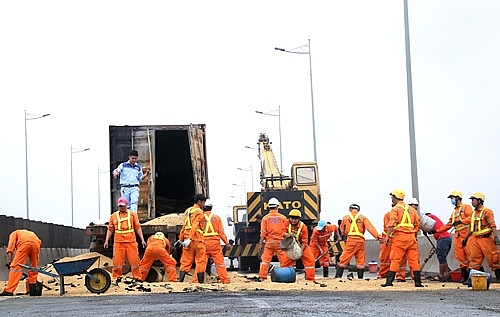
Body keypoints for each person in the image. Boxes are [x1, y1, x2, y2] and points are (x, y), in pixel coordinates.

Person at [381, 189, 423, 288]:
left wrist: (387, 236)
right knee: (413, 260)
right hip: (411, 238)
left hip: (400, 237)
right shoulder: (412, 210)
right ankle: (418, 282)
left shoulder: (395, 209)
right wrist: (414, 237)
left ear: (395, 198)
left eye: (392, 197)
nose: (391, 199)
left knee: (395, 259)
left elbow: (392, 223)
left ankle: (389, 281)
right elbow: (417, 224)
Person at [430, 190, 473, 283]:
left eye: (452, 198)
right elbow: (448, 225)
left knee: (470, 256)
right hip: (458, 236)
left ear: (458, 198)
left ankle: (471, 277)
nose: (451, 200)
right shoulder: (454, 212)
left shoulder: (466, 207)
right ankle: (464, 277)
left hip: (466, 235)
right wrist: (436, 231)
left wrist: (461, 221)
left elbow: (471, 218)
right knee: (460, 257)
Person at [104, 196, 146, 283]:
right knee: (117, 261)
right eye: (120, 206)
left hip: (131, 241)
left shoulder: (133, 214)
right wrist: (106, 240)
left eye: (123, 205)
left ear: (127, 205)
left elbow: (138, 227)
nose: (122, 207)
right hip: (119, 242)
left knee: (135, 260)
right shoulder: (113, 216)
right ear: (118, 206)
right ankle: (116, 277)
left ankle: (137, 277)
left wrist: (142, 239)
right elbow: (110, 229)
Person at [462, 192, 500, 283]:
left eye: (473, 200)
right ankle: (471, 280)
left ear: (479, 201)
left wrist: (495, 237)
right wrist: (466, 238)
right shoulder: (473, 213)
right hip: (476, 240)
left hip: (487, 239)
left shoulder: (487, 211)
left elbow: (492, 225)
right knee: (474, 261)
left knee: (493, 260)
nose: (472, 202)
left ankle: (499, 279)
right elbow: (471, 228)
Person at [192, 199, 232, 284]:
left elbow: (195, 230)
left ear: (203, 207)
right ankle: (225, 281)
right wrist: (227, 243)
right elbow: (221, 232)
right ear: (211, 208)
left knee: (201, 263)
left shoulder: (199, 217)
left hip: (203, 243)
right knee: (220, 264)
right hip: (215, 244)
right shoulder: (217, 218)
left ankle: (196, 281)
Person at [336, 204, 380, 279]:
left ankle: (338, 276)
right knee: (360, 259)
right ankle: (360, 278)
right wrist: (378, 237)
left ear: (350, 209)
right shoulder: (363, 218)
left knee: (344, 257)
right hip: (360, 240)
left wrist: (347, 234)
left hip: (351, 240)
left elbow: (342, 230)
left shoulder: (345, 218)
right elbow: (370, 228)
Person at [0, 229, 42, 296]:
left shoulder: (13, 234)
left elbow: (10, 249)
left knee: (15, 267)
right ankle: (32, 289)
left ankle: (9, 291)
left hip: (25, 244)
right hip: (36, 243)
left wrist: (10, 261)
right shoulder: (24, 233)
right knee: (34, 267)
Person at [177, 194, 207, 283]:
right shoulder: (200, 212)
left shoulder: (187, 211)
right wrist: (190, 238)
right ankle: (201, 283)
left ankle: (180, 282)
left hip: (187, 240)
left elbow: (184, 226)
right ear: (199, 202)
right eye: (203, 202)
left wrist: (181, 239)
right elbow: (195, 225)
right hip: (197, 240)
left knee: (185, 261)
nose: (204, 205)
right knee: (200, 261)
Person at [258, 197, 288, 281]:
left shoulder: (265, 218)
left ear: (269, 207)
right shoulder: (283, 218)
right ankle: (285, 276)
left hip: (269, 243)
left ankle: (262, 277)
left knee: (265, 261)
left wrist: (261, 244)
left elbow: (263, 233)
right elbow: (286, 231)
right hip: (280, 243)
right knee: (284, 261)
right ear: (277, 206)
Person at [281, 209, 316, 281]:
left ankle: (310, 279)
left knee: (310, 260)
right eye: (292, 218)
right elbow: (281, 232)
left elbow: (304, 241)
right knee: (286, 262)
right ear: (289, 218)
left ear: (299, 219)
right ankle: (285, 278)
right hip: (291, 247)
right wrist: (285, 234)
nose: (293, 220)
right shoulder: (286, 223)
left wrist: (300, 251)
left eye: (296, 219)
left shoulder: (303, 227)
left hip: (302, 246)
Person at [378, 209, 407, 281]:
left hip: (397, 238)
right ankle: (385, 274)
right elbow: (388, 227)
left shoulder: (401, 215)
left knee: (398, 258)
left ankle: (399, 276)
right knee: (387, 257)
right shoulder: (389, 215)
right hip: (393, 238)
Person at [424, 211, 452, 282]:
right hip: (446, 238)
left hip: (443, 238)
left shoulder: (430, 217)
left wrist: (423, 228)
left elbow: (425, 223)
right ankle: (446, 274)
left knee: (441, 257)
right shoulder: (435, 221)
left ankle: (441, 275)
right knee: (443, 257)